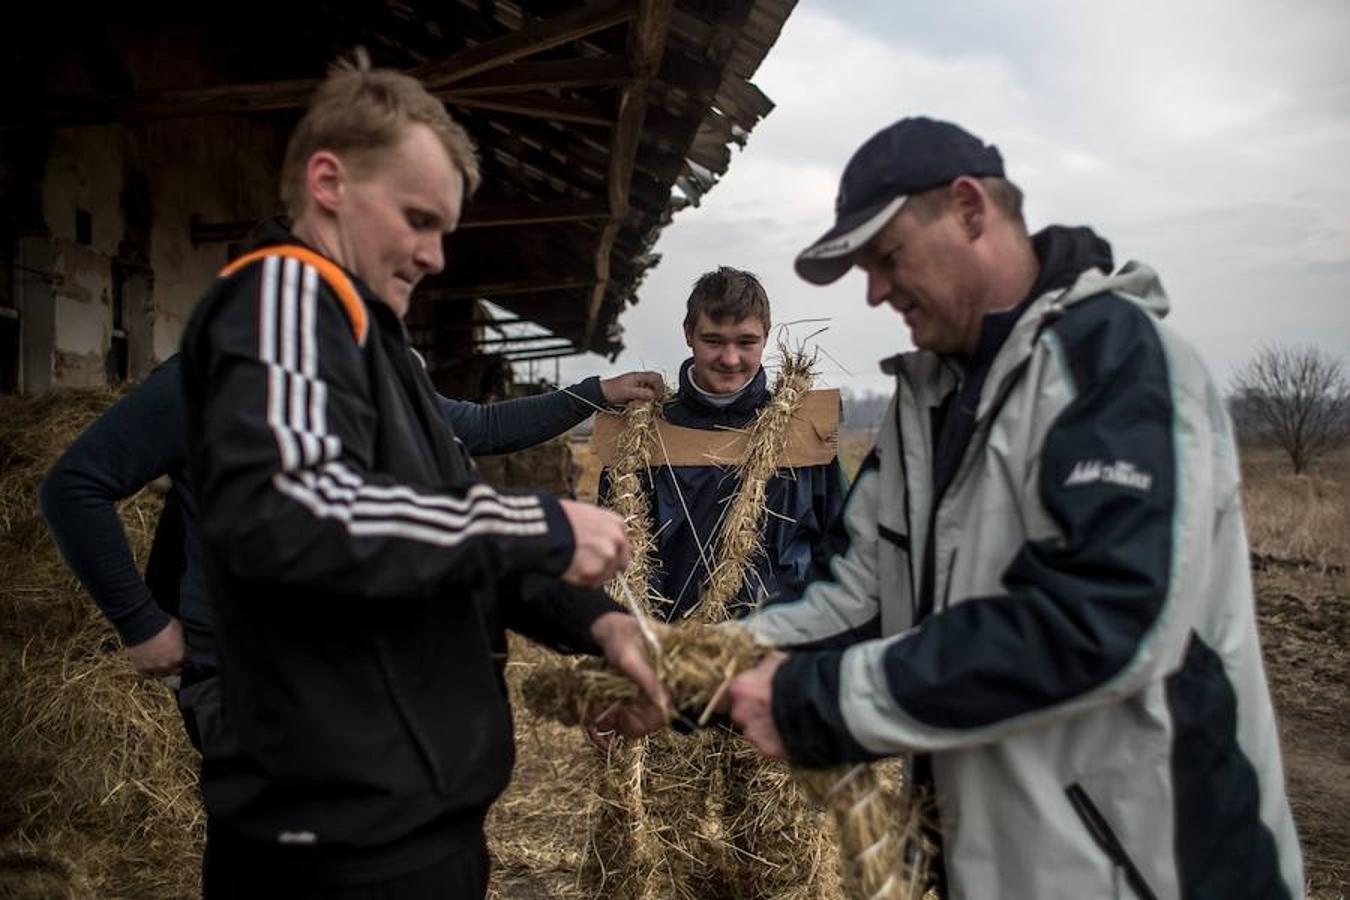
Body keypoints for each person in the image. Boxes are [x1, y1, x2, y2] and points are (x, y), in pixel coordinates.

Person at [723, 117, 1304, 899]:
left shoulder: (1117, 368)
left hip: (1157, 870)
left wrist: (820, 701)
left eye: (887, 258)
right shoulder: (925, 401)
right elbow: (856, 595)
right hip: (1003, 864)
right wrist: (703, 670)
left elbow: (1098, 622)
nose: (877, 291)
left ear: (969, 210)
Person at [177, 53, 664, 898]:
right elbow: (297, 509)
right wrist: (541, 526)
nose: (437, 257)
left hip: (410, 825)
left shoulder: (376, 346)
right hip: (332, 846)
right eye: (417, 219)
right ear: (328, 182)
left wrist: (594, 623)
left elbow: (442, 524)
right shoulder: (286, 291)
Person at [40, 356, 663, 694]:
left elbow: (479, 429)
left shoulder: (381, 369)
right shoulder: (209, 376)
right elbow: (75, 487)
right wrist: (141, 622)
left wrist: (594, 392)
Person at [597, 267, 847, 622]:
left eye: (746, 342)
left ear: (766, 337)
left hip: (777, 651)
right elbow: (613, 565)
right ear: (688, 334)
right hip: (668, 654)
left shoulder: (807, 433)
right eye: (713, 341)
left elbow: (842, 550)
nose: (730, 359)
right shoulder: (637, 439)